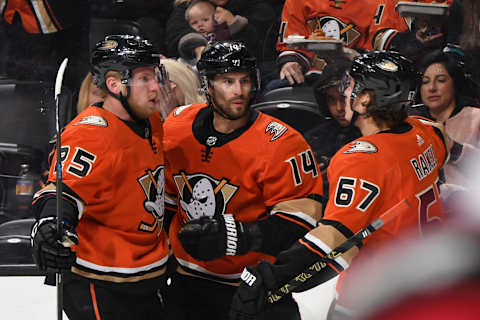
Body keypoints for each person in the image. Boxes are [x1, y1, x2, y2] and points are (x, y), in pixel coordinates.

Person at [229, 51, 450, 319]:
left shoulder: (362, 157)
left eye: (350, 85)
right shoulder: (426, 131)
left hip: (377, 295)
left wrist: (273, 277)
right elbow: (448, 146)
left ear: (365, 99)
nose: (346, 92)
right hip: (429, 284)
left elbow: (334, 239)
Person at [162, 40, 324, 320]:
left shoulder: (282, 141)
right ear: (207, 85)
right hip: (186, 281)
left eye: (245, 80)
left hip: (253, 287)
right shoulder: (176, 125)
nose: (239, 91)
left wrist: (240, 236)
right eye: (227, 81)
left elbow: (302, 221)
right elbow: (166, 200)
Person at [30, 34, 170, 320]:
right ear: (115, 85)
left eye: (155, 76)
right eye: (144, 79)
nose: (156, 87)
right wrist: (51, 225)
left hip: (146, 277)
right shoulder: (90, 134)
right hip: (99, 283)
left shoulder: (152, 122)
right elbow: (62, 193)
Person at [276, 0, 409, 85]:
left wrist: (349, 55)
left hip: (358, 77)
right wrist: (291, 62)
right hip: (310, 74)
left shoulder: (382, 3)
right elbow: (291, 42)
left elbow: (379, 53)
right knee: (278, 87)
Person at [410, 49, 480, 187]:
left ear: (455, 83)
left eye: (441, 80)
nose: (432, 88)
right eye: (425, 82)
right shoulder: (411, 121)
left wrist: (454, 148)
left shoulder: (476, 118)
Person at [307, 57, 361, 172]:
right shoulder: (315, 138)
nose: (339, 108)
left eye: (344, 99)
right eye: (332, 100)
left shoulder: (375, 135)